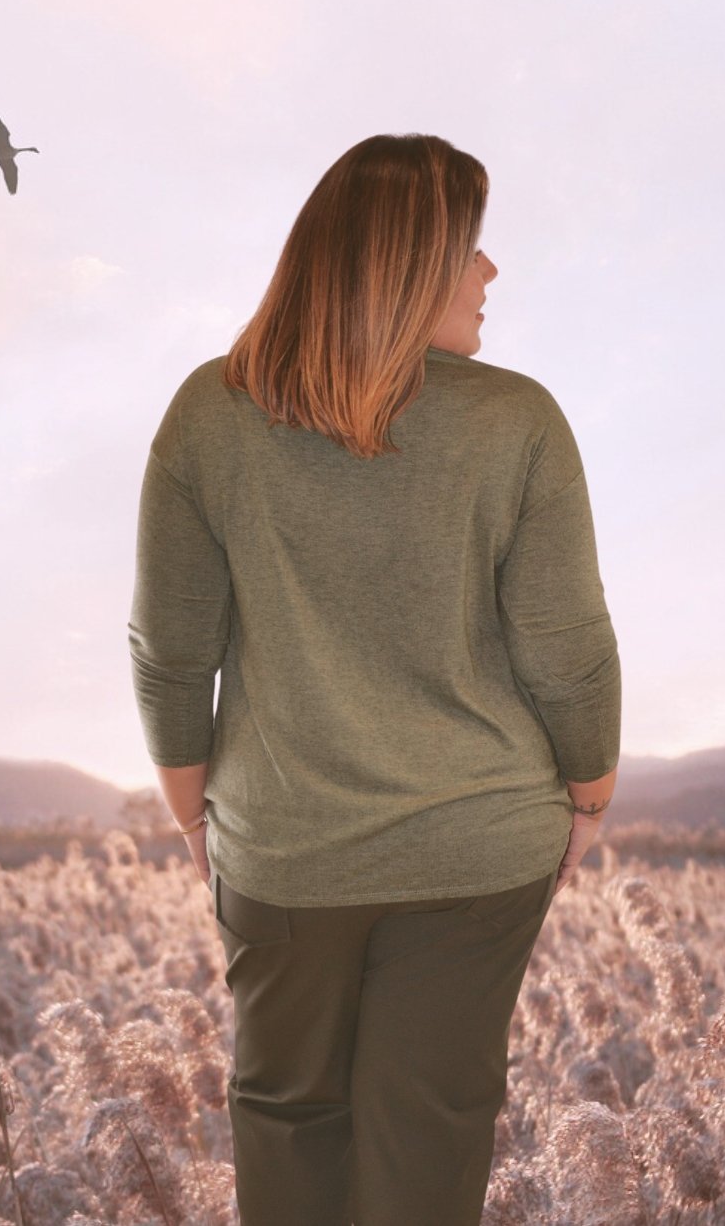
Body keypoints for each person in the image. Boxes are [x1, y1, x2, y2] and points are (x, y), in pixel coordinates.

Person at [127, 133, 621, 1226]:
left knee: (287, 1118)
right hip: (479, 849)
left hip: (284, 849)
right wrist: (590, 796)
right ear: (398, 264)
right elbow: (567, 647)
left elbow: (172, 653)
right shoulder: (518, 421)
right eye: (469, 251)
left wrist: (192, 815)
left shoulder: (210, 414)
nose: (491, 275)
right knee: (428, 1131)